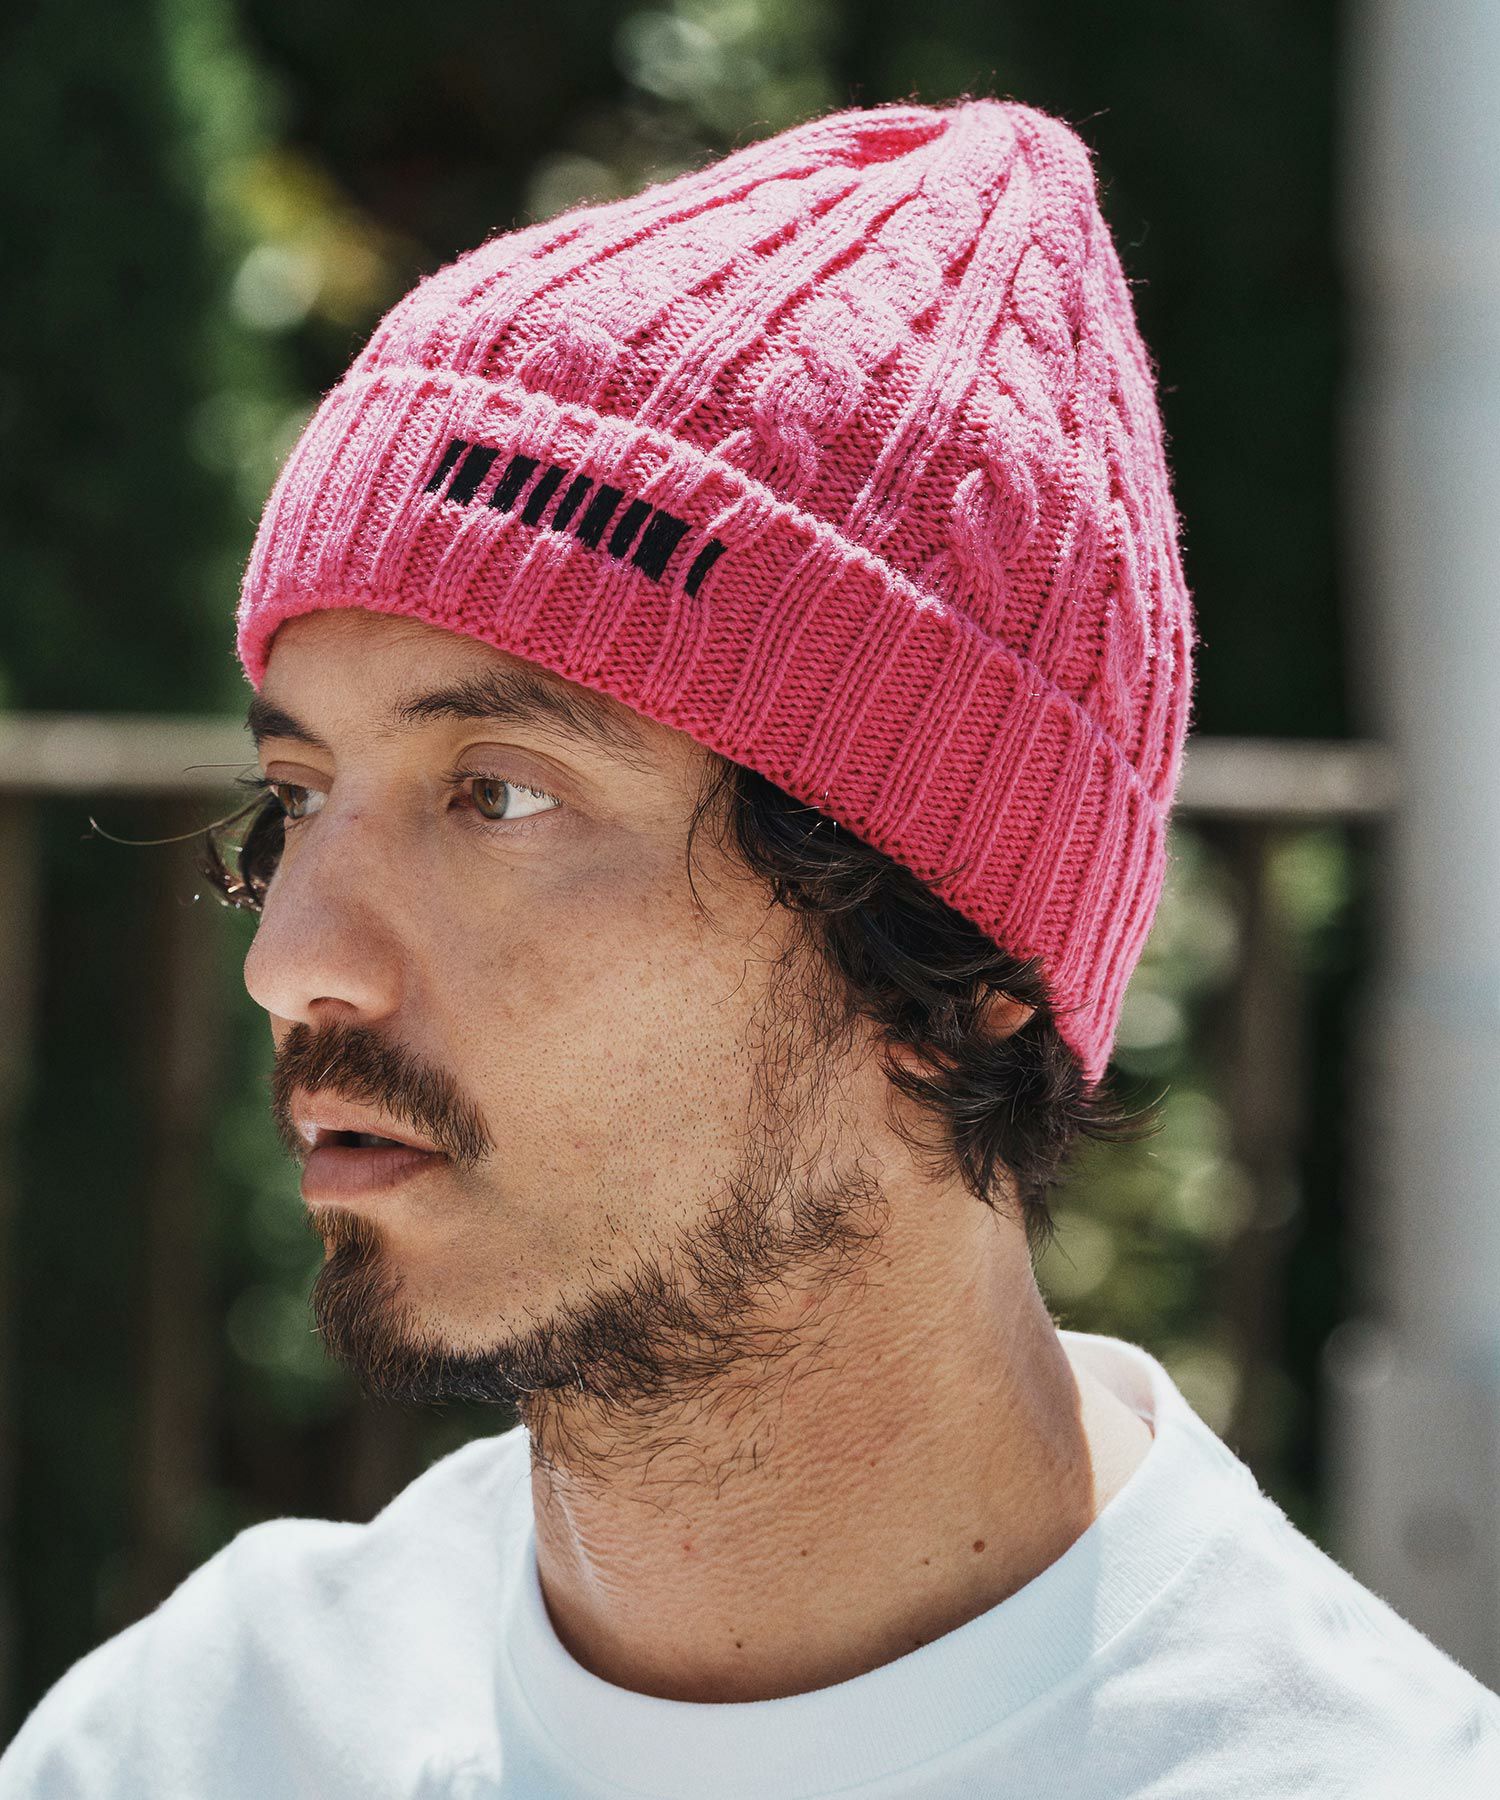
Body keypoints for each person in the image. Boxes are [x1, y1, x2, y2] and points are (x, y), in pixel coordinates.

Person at [5, 96, 1497, 1800]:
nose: (292, 962)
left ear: (961, 972)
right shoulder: (198, 1739)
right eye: (300, 792)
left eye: (501, 794)